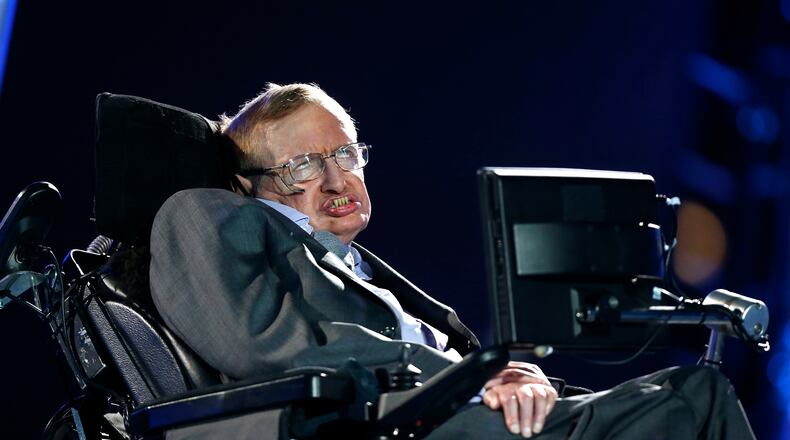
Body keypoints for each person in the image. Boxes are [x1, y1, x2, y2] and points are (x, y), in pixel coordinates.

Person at [149, 83, 755, 439]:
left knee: (691, 387)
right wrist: (466, 373)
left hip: (452, 412)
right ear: (246, 185)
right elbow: (265, 347)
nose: (338, 180)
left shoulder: (349, 264)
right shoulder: (204, 213)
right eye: (303, 166)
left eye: (346, 154)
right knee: (691, 401)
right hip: (382, 425)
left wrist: (510, 373)